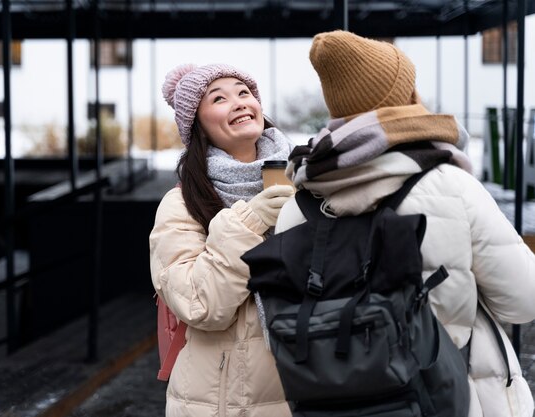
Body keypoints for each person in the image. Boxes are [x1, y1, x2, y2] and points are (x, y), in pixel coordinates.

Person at [275, 30, 535, 417]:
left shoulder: (299, 204)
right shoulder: (449, 185)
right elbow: (523, 299)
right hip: (454, 398)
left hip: (338, 404)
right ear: (400, 98)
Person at [149, 63, 295, 417]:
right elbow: (201, 304)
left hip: (305, 383)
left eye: (244, 93)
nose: (239, 102)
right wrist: (252, 220)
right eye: (219, 98)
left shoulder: (305, 180)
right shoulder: (182, 203)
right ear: (198, 125)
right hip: (220, 401)